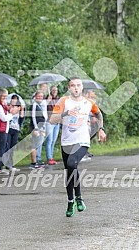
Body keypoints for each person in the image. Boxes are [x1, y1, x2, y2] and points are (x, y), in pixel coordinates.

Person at [50, 77, 106, 217]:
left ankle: (79, 198)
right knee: (69, 171)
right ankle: (70, 202)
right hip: (67, 142)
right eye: (73, 85)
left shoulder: (88, 103)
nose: (76, 88)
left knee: (71, 163)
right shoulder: (63, 101)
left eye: (78, 85)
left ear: (82, 88)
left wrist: (101, 129)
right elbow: (52, 120)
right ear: (69, 88)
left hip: (82, 141)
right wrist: (65, 113)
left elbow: (99, 115)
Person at [0, 88, 19, 174]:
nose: (5, 98)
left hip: (2, 130)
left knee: (1, 149)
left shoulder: (2, 106)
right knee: (0, 150)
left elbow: (7, 112)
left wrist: (10, 110)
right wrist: (12, 114)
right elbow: (4, 118)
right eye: (4, 96)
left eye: (6, 96)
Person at [6, 94, 25, 170]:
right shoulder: (8, 107)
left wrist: (22, 109)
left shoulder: (18, 108)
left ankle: (10, 164)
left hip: (16, 129)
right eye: (13, 99)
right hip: (8, 128)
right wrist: (11, 109)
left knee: (13, 147)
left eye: (16, 99)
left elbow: (21, 117)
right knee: (7, 146)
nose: (14, 100)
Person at [29, 90, 46, 169]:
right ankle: (33, 163)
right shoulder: (34, 105)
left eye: (41, 97)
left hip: (40, 128)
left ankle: (36, 162)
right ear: (35, 97)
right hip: (36, 128)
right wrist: (36, 128)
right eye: (38, 96)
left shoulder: (39, 105)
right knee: (34, 146)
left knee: (36, 145)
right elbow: (33, 117)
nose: (40, 98)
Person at [46, 85, 60, 165]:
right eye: (53, 90)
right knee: (49, 140)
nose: (55, 92)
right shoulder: (47, 99)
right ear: (51, 91)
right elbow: (44, 109)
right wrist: (48, 101)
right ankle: (49, 158)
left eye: (56, 90)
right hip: (50, 122)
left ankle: (51, 157)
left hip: (57, 122)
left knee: (53, 141)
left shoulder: (58, 100)